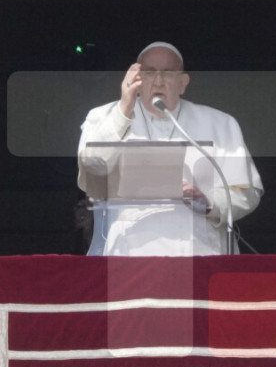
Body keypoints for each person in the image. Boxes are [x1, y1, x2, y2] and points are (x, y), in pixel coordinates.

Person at [77, 42, 263, 256]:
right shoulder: (104, 117)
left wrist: (209, 202)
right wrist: (123, 111)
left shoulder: (220, 123)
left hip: (201, 253)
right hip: (130, 255)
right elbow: (92, 169)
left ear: (183, 83)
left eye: (167, 73)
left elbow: (247, 192)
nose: (158, 81)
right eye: (149, 72)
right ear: (135, 79)